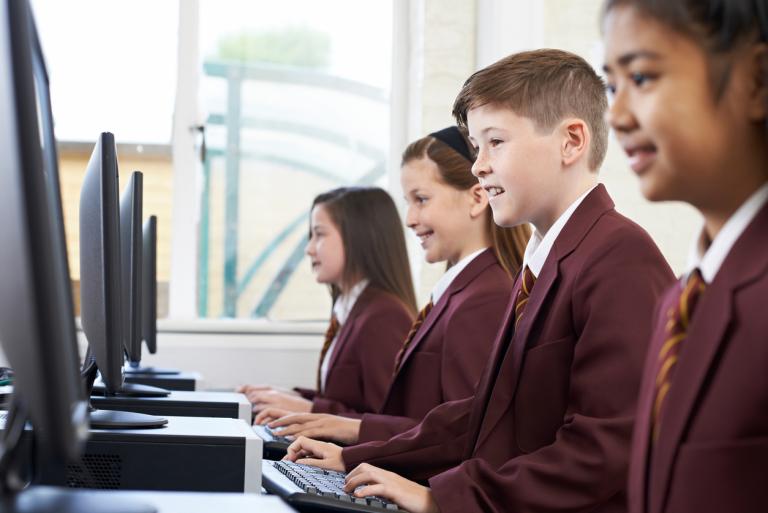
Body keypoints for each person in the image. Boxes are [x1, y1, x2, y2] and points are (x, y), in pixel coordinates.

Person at [284, 49, 675, 513]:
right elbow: (484, 415)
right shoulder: (544, 261)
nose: (478, 165)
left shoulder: (619, 256)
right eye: (476, 146)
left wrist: (441, 498)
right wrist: (355, 456)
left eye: (495, 142)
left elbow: (604, 447)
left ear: (571, 141)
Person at [254, 127, 530, 446]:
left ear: (477, 198)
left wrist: (348, 442)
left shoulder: (484, 298)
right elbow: (425, 419)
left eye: (421, 200)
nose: (410, 219)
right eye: (408, 202)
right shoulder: (462, 292)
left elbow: (466, 436)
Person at [603, 1, 768, 512]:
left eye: (643, 76)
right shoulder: (681, 298)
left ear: (756, 81)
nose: (616, 114)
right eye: (612, 85)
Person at [239, 186, 417, 416]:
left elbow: (387, 423)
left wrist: (310, 409)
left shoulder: (384, 316)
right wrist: (286, 397)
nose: (309, 249)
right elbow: (345, 400)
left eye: (319, 234)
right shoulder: (351, 308)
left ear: (359, 237)